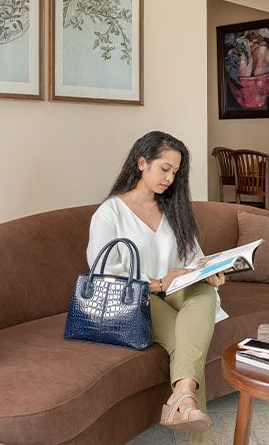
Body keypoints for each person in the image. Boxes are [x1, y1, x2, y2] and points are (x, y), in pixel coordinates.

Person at [87, 131, 224, 443]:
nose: (169, 178)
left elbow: (193, 258)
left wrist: (209, 272)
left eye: (175, 172)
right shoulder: (110, 213)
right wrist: (160, 282)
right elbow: (104, 270)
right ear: (141, 163)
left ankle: (183, 395)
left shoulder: (173, 210)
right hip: (135, 297)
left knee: (204, 292)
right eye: (164, 169)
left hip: (177, 291)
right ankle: (187, 403)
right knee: (184, 339)